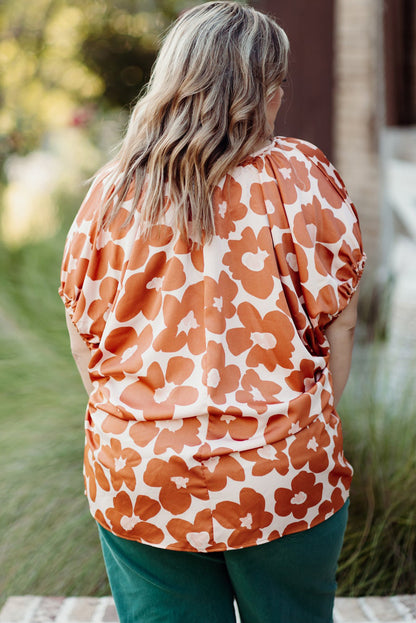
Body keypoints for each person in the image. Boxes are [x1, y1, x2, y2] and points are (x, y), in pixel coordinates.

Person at [59, 2, 366, 622]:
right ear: (264, 96)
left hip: (142, 471)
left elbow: (84, 332)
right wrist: (305, 429)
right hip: (279, 471)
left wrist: (148, 429)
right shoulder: (304, 178)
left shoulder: (113, 188)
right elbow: (344, 322)